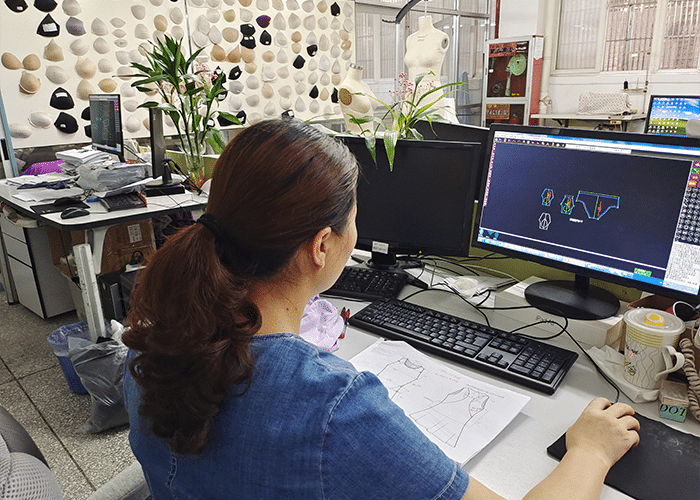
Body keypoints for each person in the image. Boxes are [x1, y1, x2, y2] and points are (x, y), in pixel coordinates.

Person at [123, 119, 640, 499]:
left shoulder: (150, 343)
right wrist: (591, 450)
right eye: (354, 219)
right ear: (322, 246)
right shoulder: (334, 406)